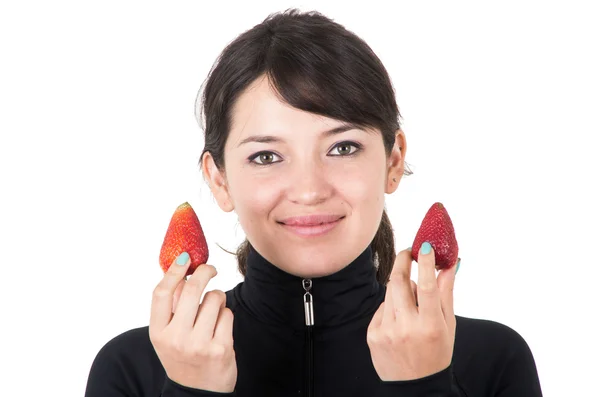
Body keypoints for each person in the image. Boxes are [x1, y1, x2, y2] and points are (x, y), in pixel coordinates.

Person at [84, 9, 543, 397]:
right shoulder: (134, 370)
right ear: (219, 179)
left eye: (342, 148)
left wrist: (423, 386)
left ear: (393, 160)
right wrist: (190, 391)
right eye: (266, 156)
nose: (309, 189)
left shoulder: (492, 361)